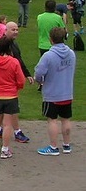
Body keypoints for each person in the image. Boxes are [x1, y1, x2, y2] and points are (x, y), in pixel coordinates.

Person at [34, 27, 76, 156]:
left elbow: (39, 72)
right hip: (67, 92)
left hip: (52, 94)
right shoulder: (71, 53)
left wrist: (40, 80)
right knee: (66, 119)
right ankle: (67, 145)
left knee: (52, 120)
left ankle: (53, 147)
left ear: (51, 39)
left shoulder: (48, 55)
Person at [0, 22, 34, 144]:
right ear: (6, 30)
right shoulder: (1, 45)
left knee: (2, 109)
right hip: (7, 84)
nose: (16, 32)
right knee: (11, 110)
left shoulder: (14, 44)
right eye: (13, 30)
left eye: (17, 29)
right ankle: (16, 132)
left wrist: (27, 74)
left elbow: (19, 60)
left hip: (4, 85)